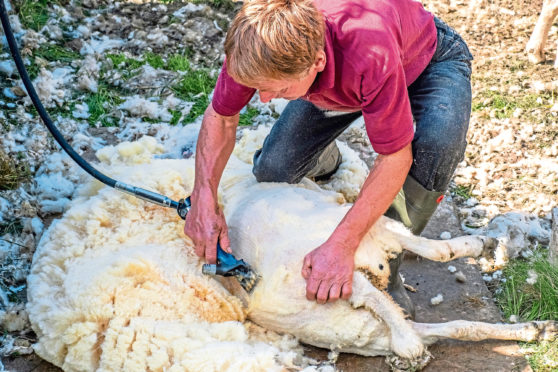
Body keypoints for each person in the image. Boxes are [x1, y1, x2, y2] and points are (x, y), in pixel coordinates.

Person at [183, 0, 473, 317]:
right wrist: (203, 196)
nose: (263, 98)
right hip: (343, 80)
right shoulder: (256, 42)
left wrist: (343, 245)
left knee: (438, 142)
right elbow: (222, 117)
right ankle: (327, 160)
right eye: (258, 88)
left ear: (317, 61)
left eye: (275, 89)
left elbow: (393, 157)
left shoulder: (367, 52)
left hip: (426, 60)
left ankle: (384, 266)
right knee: (274, 170)